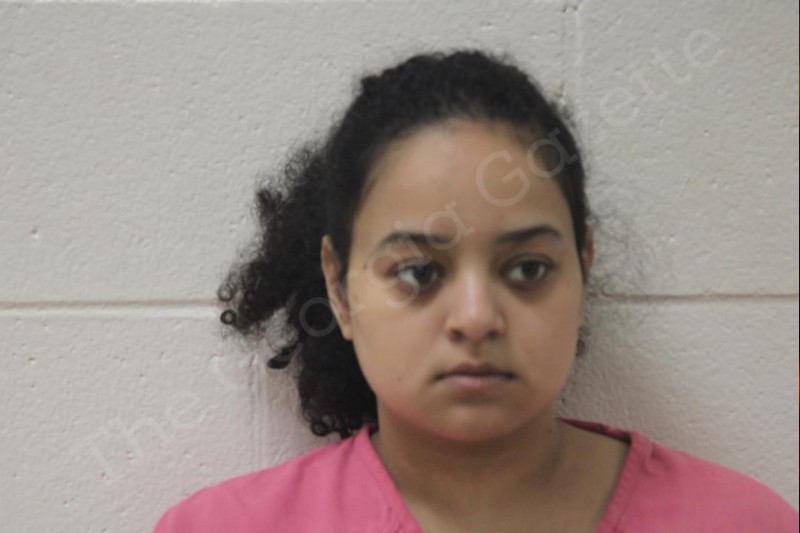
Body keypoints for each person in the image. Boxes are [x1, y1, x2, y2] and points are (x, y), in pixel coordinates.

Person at [153, 50, 798, 532]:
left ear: (582, 269)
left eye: (528, 270)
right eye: (418, 272)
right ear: (340, 291)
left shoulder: (744, 523)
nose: (476, 317)